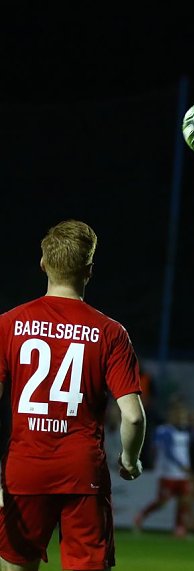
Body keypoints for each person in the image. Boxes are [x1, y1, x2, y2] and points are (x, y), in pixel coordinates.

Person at [0, 219, 146, 571]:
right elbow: (133, 415)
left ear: (43, 264)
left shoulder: (8, 324)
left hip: (24, 470)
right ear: (89, 271)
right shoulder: (111, 332)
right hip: (84, 473)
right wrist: (130, 460)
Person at [134, 403, 193, 538]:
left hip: (182, 474)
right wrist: (180, 464)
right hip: (168, 473)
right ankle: (141, 516)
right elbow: (167, 451)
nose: (182, 418)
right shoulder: (164, 430)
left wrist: (186, 466)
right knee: (162, 502)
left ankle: (179, 528)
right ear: (171, 416)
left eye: (183, 416)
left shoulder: (184, 432)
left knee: (185, 500)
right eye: (179, 415)